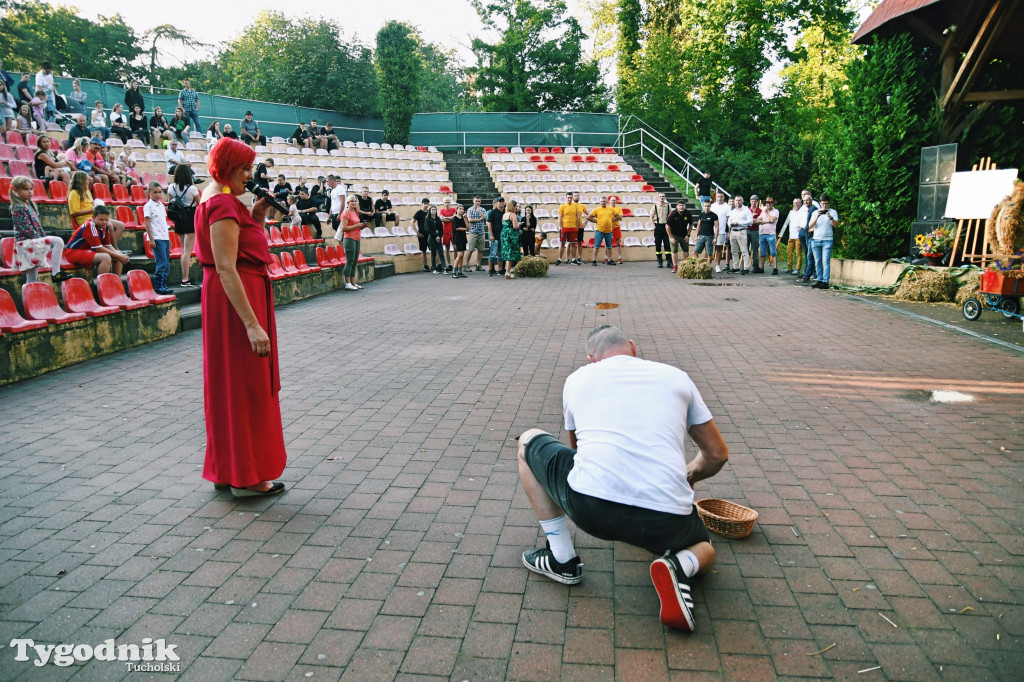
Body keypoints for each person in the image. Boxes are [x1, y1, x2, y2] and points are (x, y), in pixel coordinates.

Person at [517, 325, 728, 632]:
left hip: (592, 508)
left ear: (592, 359)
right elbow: (717, 455)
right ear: (632, 347)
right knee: (704, 550)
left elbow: (577, 452)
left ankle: (562, 558)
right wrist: (689, 476)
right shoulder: (676, 377)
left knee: (528, 441)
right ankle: (678, 566)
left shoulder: (577, 379)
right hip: (666, 518)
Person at [194, 137, 287, 497]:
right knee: (246, 386)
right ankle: (247, 478)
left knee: (228, 385)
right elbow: (225, 267)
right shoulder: (221, 203)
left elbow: (239, 246)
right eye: (244, 168)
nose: (250, 175)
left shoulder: (218, 199)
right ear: (227, 167)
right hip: (237, 301)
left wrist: (257, 216)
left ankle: (227, 469)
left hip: (231, 298)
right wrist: (252, 325)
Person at [8, 175, 70, 283]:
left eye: (31, 189)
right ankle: (56, 273)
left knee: (32, 278)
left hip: (31, 242)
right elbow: (26, 229)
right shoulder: (18, 207)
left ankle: (28, 298)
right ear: (16, 191)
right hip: (26, 243)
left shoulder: (28, 204)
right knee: (58, 241)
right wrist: (43, 241)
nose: (30, 191)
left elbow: (37, 226)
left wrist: (43, 238)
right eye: (25, 189)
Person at [64, 204, 129, 274]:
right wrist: (118, 255)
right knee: (105, 257)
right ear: (93, 218)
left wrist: (118, 254)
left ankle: (115, 282)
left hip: (87, 250)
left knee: (118, 254)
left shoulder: (105, 226)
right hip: (74, 252)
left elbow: (107, 245)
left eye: (106, 220)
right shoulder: (90, 226)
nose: (104, 222)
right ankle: (103, 283)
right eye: (101, 219)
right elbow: (98, 248)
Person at [168, 164, 200, 287]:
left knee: (183, 250)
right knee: (187, 251)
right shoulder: (192, 189)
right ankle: (185, 279)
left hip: (179, 218)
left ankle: (185, 278)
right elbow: (199, 203)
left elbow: (171, 203)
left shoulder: (171, 187)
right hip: (190, 217)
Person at [143, 181, 173, 295]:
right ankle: (159, 286)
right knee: (162, 263)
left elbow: (163, 223)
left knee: (167, 264)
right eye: (155, 192)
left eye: (160, 192)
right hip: (156, 237)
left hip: (164, 237)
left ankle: (164, 284)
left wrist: (168, 238)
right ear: (149, 192)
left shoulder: (161, 205)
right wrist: (151, 239)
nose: (158, 195)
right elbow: (147, 223)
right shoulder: (148, 206)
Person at [808, 195, 838, 289]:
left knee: (825, 261)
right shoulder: (815, 212)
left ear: (828, 203)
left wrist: (830, 218)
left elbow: (836, 225)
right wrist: (817, 216)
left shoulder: (833, 212)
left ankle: (825, 281)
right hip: (816, 240)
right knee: (818, 261)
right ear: (820, 203)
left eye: (826, 204)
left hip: (827, 240)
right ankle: (819, 280)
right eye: (823, 204)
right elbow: (809, 225)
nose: (824, 206)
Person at [338, 195, 366, 290]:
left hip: (357, 237)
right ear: (348, 203)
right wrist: (356, 225)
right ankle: (348, 283)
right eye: (351, 201)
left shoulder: (355, 212)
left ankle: (353, 282)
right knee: (349, 261)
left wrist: (360, 226)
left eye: (355, 201)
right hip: (349, 238)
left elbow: (355, 225)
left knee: (354, 261)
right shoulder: (346, 213)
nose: (353, 203)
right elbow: (343, 228)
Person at [587, 196, 617, 266]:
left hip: (609, 231)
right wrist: (596, 221)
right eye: (601, 201)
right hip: (599, 230)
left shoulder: (610, 209)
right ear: (600, 202)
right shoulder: (597, 209)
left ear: (606, 202)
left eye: (604, 201)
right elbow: (588, 217)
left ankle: (609, 260)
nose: (603, 203)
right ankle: (594, 260)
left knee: (609, 246)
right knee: (596, 246)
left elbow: (618, 216)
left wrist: (611, 220)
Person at [727, 195, 753, 274]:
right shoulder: (733, 211)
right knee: (733, 251)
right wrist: (731, 224)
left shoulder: (746, 210)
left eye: (739, 200)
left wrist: (739, 223)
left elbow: (750, 222)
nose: (737, 202)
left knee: (744, 250)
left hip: (741, 231)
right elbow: (729, 221)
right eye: (736, 200)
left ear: (742, 201)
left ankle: (746, 268)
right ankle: (735, 267)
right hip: (733, 231)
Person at [756, 197, 780, 275]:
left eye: (769, 203)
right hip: (763, 233)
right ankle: (761, 267)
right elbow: (758, 220)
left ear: (772, 204)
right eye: (767, 203)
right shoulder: (763, 211)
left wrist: (766, 214)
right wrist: (766, 221)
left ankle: (775, 268)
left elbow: (772, 220)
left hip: (771, 233)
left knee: (773, 251)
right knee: (762, 252)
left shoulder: (775, 211)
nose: (768, 204)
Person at [556, 192, 582, 266]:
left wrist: (577, 227)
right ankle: (559, 259)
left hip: (573, 228)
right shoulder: (562, 206)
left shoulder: (575, 206)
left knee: (573, 244)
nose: (570, 199)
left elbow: (578, 216)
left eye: (571, 197)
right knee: (562, 243)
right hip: (565, 227)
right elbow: (559, 217)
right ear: (566, 198)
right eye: (568, 197)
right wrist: (561, 227)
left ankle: (573, 259)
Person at [667, 201, 694, 271]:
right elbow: (667, 226)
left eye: (683, 205)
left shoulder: (688, 213)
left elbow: (691, 224)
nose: (681, 207)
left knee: (686, 250)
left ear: (685, 206)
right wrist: (671, 237)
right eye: (680, 205)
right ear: (677, 206)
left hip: (684, 235)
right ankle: (675, 266)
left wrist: (688, 235)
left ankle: (685, 265)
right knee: (674, 251)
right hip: (674, 235)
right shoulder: (673, 214)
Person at [780, 198, 803, 275]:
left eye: (797, 203)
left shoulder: (802, 212)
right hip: (791, 235)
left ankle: (797, 268)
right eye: (794, 203)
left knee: (798, 253)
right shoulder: (791, 212)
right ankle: (789, 267)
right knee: (789, 252)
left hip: (798, 236)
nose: (796, 204)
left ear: (800, 203)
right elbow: (788, 222)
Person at [465, 196, 488, 272]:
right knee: (470, 249)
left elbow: (485, 218)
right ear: (473, 201)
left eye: (479, 201)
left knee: (480, 250)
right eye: (476, 201)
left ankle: (478, 265)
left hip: (481, 232)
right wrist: (479, 219)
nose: (477, 202)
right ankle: (466, 265)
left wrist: (480, 212)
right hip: (473, 232)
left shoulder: (482, 209)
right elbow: (470, 220)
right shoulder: (470, 209)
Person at [500, 199, 522, 279]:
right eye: (515, 206)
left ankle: (507, 271)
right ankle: (508, 272)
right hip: (511, 234)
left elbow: (503, 223)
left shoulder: (505, 214)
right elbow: (515, 226)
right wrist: (518, 224)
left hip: (504, 233)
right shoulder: (513, 214)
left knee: (507, 252)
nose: (516, 208)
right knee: (511, 253)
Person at [651, 193, 673, 269]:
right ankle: (660, 261)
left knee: (667, 244)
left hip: (666, 226)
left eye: (663, 196)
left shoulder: (668, 206)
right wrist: (654, 226)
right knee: (658, 245)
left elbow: (671, 216)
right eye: (660, 196)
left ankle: (669, 262)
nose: (662, 198)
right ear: (658, 198)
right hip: (658, 226)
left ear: (665, 197)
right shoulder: (655, 206)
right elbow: (651, 217)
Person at [692, 200, 718, 265]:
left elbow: (717, 227)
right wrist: (696, 236)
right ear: (703, 206)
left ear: (710, 206)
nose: (706, 207)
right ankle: (696, 266)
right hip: (701, 236)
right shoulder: (701, 215)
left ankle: (708, 267)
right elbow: (698, 225)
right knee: (695, 252)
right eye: (705, 206)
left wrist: (715, 238)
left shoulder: (714, 215)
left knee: (709, 253)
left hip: (710, 236)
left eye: (708, 206)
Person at [425, 205, 447, 274]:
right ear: (430, 211)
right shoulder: (428, 220)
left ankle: (444, 268)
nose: (433, 211)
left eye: (435, 210)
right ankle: (434, 268)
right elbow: (429, 230)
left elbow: (441, 229)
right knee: (433, 253)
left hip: (438, 237)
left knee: (441, 253)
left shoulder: (438, 219)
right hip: (432, 238)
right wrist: (435, 237)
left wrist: (439, 237)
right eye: (432, 210)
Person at [410, 198, 431, 272]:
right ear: (422, 203)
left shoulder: (429, 212)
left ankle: (435, 265)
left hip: (429, 233)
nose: (425, 204)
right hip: (422, 233)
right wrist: (417, 232)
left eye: (427, 203)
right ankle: (425, 265)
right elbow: (412, 222)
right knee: (423, 250)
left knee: (434, 250)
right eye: (424, 203)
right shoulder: (419, 212)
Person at [487, 196, 506, 276]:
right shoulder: (492, 212)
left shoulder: (505, 212)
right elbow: (489, 224)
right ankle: (490, 269)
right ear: (497, 203)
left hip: (502, 236)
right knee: (493, 253)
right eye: (499, 201)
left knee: (501, 254)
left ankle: (500, 269)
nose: (501, 203)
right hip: (494, 236)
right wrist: (491, 235)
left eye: (502, 201)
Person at [439, 197, 457, 273]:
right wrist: (450, 218)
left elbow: (455, 218)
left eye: (448, 202)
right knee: (447, 249)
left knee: (455, 247)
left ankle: (456, 263)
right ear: (443, 203)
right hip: (445, 231)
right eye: (445, 202)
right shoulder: (442, 210)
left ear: (450, 203)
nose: (447, 203)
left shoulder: (453, 210)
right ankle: (449, 264)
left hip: (453, 231)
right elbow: (441, 219)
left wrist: (446, 218)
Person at [451, 204, 468, 279]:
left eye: (462, 209)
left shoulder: (462, 218)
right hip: (457, 238)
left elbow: (468, 227)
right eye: (460, 209)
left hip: (463, 238)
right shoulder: (455, 218)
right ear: (456, 210)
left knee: (462, 255)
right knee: (460, 255)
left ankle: (460, 271)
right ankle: (454, 271)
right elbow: (457, 228)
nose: (461, 210)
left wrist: (465, 219)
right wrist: (465, 229)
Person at [607, 195, 624, 264]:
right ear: (609, 201)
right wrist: (616, 217)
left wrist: (612, 219)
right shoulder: (607, 208)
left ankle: (619, 258)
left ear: (616, 201)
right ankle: (607, 257)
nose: (613, 201)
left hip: (616, 227)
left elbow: (620, 217)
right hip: (608, 227)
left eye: (614, 200)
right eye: (611, 200)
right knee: (607, 243)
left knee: (618, 243)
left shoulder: (619, 208)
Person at [747, 194, 762, 273]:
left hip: (755, 231)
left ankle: (755, 266)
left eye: (755, 201)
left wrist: (752, 221)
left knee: (755, 249)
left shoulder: (759, 211)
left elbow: (760, 221)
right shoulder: (747, 210)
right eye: (752, 201)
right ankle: (745, 266)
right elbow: (746, 221)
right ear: (750, 201)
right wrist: (754, 220)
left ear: (757, 202)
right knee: (745, 249)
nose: (753, 203)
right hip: (747, 230)